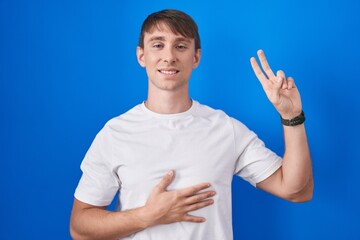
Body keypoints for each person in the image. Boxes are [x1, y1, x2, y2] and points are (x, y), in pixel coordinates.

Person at [70, 9, 313, 240]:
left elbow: (296, 189)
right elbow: (80, 227)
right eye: (157, 45)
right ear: (141, 55)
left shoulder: (225, 129)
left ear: (196, 57)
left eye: (181, 46)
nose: (169, 56)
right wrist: (147, 216)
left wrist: (291, 116)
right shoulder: (115, 134)